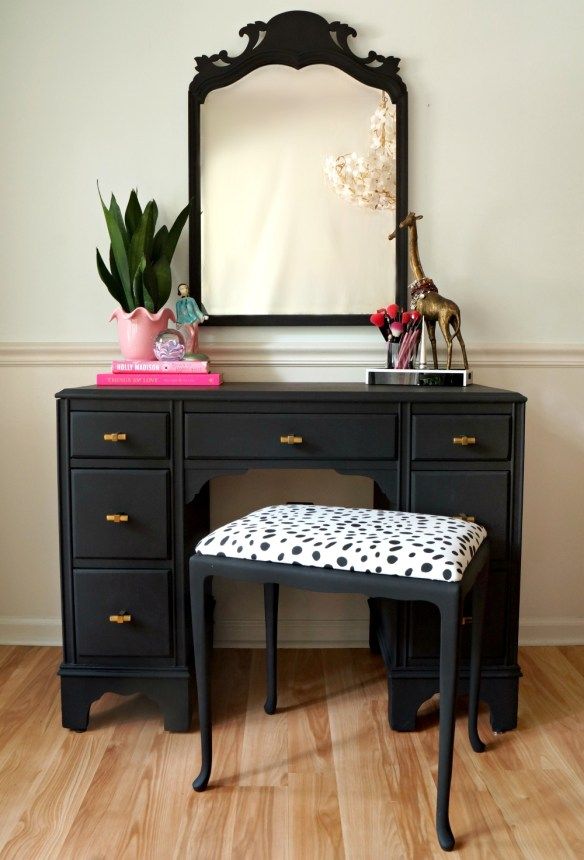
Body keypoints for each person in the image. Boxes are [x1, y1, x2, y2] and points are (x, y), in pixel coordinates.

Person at [175, 283, 209, 358]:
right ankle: (189, 351)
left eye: (186, 288)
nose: (185, 290)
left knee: (195, 335)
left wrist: (202, 316)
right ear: (179, 291)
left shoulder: (191, 300)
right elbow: (179, 314)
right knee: (192, 333)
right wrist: (178, 322)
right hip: (185, 320)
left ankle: (195, 351)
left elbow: (196, 310)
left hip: (194, 318)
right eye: (182, 288)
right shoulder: (178, 303)